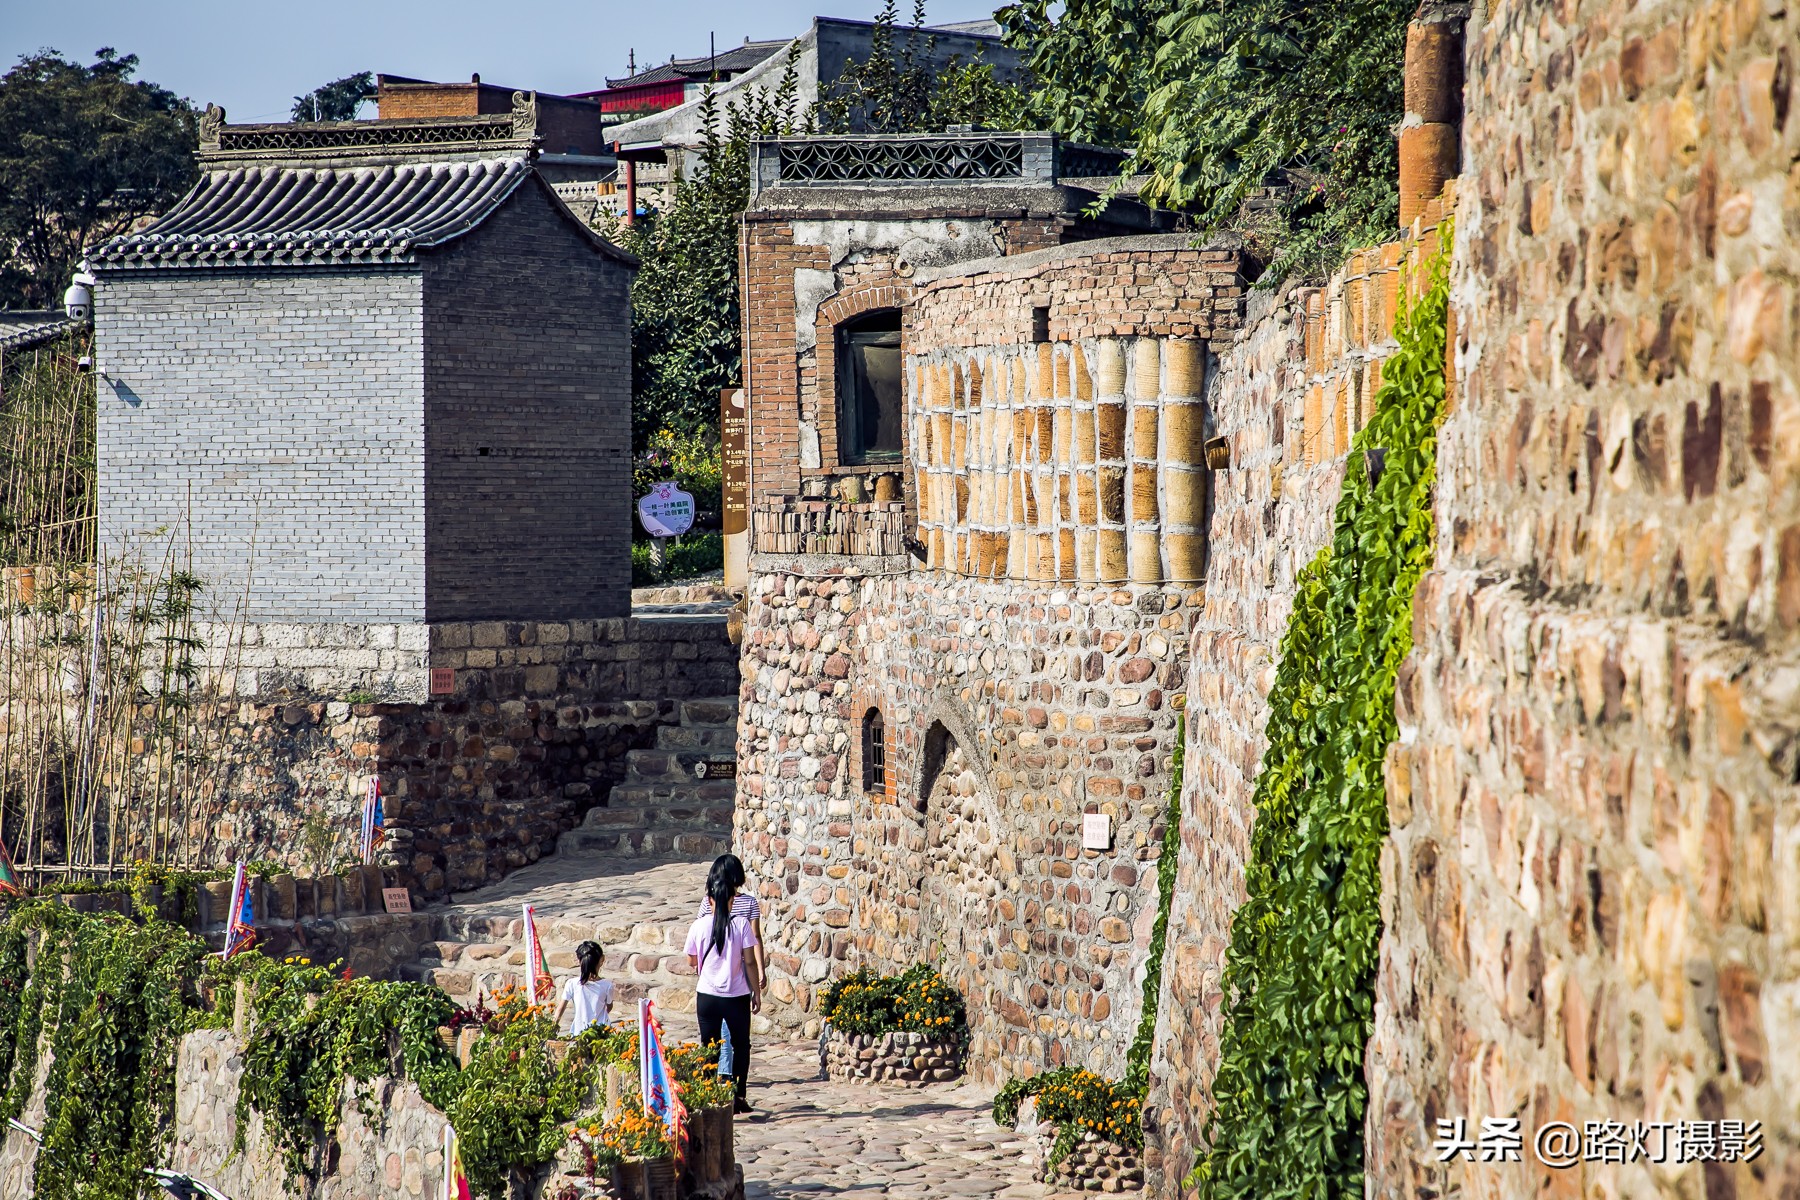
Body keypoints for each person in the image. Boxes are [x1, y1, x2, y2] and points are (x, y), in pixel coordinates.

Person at [685, 857, 762, 1113]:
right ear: (731, 900)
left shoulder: (699, 925)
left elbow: (691, 959)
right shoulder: (740, 924)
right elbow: (750, 962)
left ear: (709, 900)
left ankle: (709, 1095)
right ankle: (738, 1097)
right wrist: (756, 992)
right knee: (741, 1046)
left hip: (706, 995)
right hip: (736, 995)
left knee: (709, 1044)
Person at [552, 940, 614, 1037]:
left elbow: (560, 1009)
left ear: (579, 960)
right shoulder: (607, 985)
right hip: (602, 1032)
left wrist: (552, 1027)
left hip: (579, 1031)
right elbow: (609, 1007)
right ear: (602, 960)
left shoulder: (572, 983)